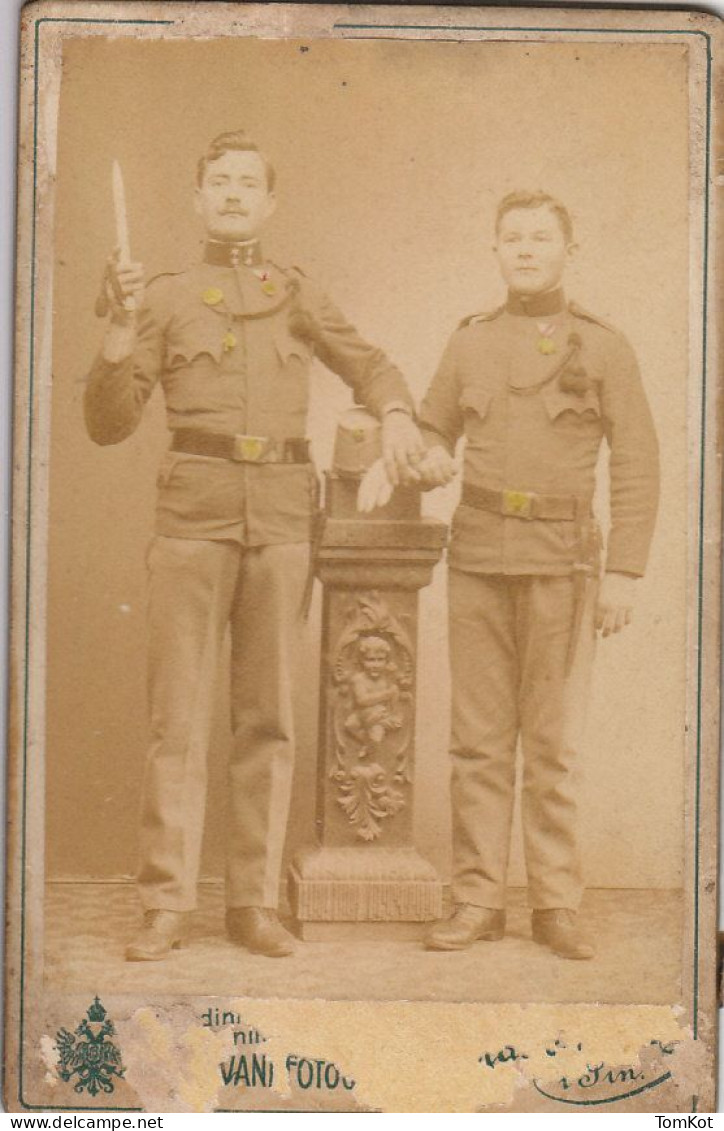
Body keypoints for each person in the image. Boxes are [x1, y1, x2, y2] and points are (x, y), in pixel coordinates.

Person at [84, 130, 423, 961]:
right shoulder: (160, 298)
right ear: (198, 198)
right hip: (191, 519)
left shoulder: (297, 292)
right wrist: (120, 334)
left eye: (248, 183)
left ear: (269, 202)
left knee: (266, 719)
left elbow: (371, 365)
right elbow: (108, 422)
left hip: (277, 520)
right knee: (177, 721)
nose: (233, 195)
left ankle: (252, 903)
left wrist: (399, 414)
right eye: (219, 182)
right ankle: (167, 903)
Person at [414, 191, 660, 959]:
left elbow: (639, 461)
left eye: (541, 237)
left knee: (551, 745)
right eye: (511, 238)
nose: (524, 249)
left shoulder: (605, 346)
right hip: (480, 558)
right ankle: (478, 899)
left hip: (562, 564)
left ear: (569, 250)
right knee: (478, 743)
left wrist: (623, 571)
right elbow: (431, 427)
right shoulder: (469, 343)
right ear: (495, 250)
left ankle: (555, 903)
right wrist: (424, 453)